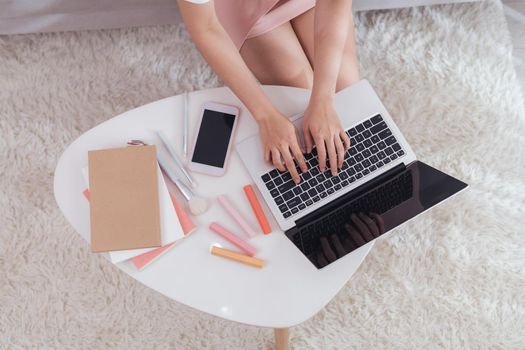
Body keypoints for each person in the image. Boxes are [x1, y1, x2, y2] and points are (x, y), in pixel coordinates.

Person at [177, 0, 360, 184]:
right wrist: (266, 117)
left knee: (350, 100)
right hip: (243, 6)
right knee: (302, 100)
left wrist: (324, 99)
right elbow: (205, 27)